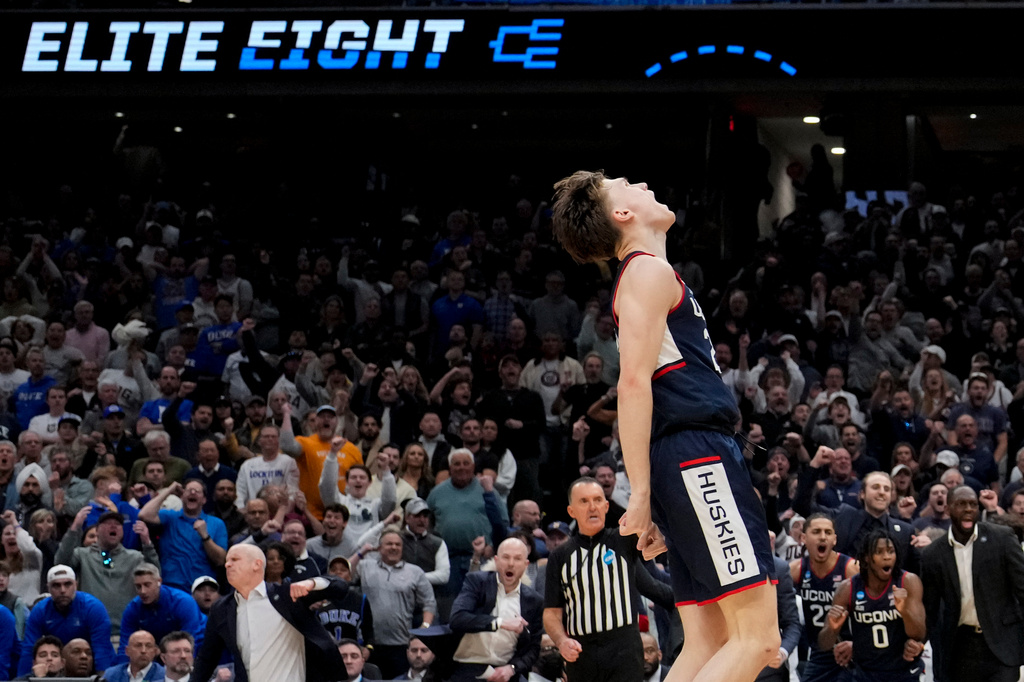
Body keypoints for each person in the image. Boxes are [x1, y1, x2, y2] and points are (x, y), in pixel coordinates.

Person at [552, 170, 779, 681]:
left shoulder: (649, 273)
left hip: (685, 457)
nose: (641, 184)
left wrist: (653, 495)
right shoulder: (645, 273)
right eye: (624, 185)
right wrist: (639, 496)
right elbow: (633, 385)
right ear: (622, 215)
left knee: (709, 641)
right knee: (759, 640)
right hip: (696, 454)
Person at [542, 477, 673, 682]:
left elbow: (658, 538)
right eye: (584, 501)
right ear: (571, 511)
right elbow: (551, 613)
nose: (592, 507)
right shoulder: (560, 556)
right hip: (581, 651)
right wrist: (561, 641)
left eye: (597, 500)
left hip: (624, 648)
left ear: (606, 506)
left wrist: (641, 518)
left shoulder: (624, 540)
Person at [192, 544, 349, 682]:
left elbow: (341, 587)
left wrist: (312, 582)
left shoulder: (287, 596)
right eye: (227, 560)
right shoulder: (221, 608)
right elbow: (206, 659)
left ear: (257, 564)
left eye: (234, 559)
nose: (227, 565)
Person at [921, 486, 1024, 682]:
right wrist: (920, 642)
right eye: (961, 504)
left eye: (973, 504)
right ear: (949, 509)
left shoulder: (1002, 538)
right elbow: (930, 609)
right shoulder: (933, 554)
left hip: (1002, 643)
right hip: (961, 646)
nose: (968, 509)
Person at [819, 531, 927, 682]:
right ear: (866, 558)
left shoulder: (908, 581)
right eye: (879, 552)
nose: (887, 557)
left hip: (902, 672)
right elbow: (824, 644)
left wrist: (904, 611)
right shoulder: (848, 588)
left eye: (891, 551)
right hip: (865, 674)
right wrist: (832, 628)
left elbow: (919, 633)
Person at [449, 537, 543, 682]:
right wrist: (500, 622)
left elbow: (533, 649)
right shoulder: (477, 582)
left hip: (505, 671)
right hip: (468, 667)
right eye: (506, 558)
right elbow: (457, 618)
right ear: (496, 560)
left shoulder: (534, 601)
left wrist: (511, 668)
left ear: (526, 565)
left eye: (517, 559)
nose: (511, 564)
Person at [54, 508, 160, 636]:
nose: (113, 526)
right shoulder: (82, 554)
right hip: (90, 632)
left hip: (125, 632)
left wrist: (147, 543)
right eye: (108, 523)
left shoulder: (135, 558)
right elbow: (60, 565)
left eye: (118, 524)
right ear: (97, 530)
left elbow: (155, 577)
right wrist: (74, 529)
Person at [354, 529, 436, 679]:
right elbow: (341, 573)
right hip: (370, 645)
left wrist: (425, 627)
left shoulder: (415, 572)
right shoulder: (365, 566)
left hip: (401, 645)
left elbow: (429, 602)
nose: (394, 547)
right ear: (379, 548)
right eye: (389, 544)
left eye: (398, 544)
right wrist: (361, 552)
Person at [789, 513, 858, 682]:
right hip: (820, 651)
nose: (822, 537)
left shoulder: (851, 568)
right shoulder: (796, 569)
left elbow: (873, 608)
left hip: (853, 649)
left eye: (828, 532)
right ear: (803, 538)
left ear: (834, 539)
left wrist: (858, 645)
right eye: (816, 532)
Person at [17, 564, 116, 675]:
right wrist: (23, 678)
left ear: (76, 585)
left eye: (67, 584)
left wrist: (103, 678)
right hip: (58, 666)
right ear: (48, 588)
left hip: (89, 665)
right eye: (56, 586)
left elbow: (102, 648)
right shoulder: (40, 611)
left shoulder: (93, 608)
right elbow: (29, 649)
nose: (62, 590)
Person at [138, 479, 228, 592]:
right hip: (171, 586)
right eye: (189, 490)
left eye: (197, 491)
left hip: (202, 588)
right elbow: (144, 514)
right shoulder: (170, 517)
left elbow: (220, 560)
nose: (193, 493)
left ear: (204, 500)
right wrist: (169, 490)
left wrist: (205, 536)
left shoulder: (216, 523)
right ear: (181, 497)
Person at [118, 563, 206, 661]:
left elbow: (191, 639)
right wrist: (122, 671)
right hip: (161, 650)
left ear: (159, 582)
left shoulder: (183, 602)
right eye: (138, 586)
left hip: (200, 644)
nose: (143, 591)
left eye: (147, 585)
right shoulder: (133, 607)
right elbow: (125, 644)